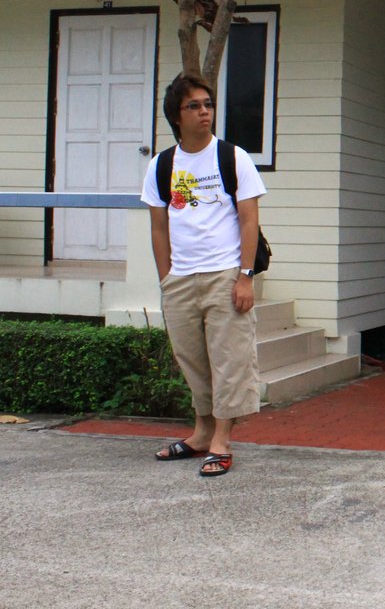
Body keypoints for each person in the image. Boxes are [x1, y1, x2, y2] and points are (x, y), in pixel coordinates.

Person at [140, 74, 267, 477]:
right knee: (193, 362)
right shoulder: (161, 165)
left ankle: (221, 441)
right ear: (176, 117)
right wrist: (166, 278)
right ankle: (201, 434)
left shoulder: (232, 158)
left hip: (224, 275)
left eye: (208, 104)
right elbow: (158, 227)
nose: (204, 112)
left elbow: (248, 221)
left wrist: (245, 276)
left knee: (230, 361)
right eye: (193, 106)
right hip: (181, 280)